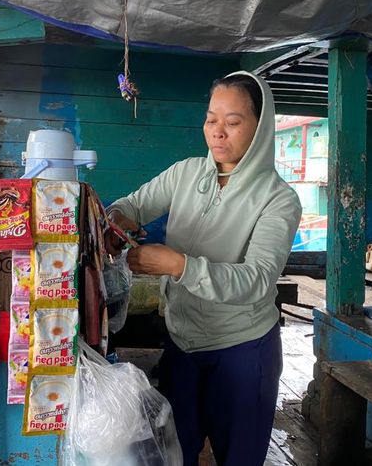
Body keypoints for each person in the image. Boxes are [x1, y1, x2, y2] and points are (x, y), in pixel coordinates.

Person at [106, 71, 302, 466]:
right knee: (178, 450)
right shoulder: (187, 173)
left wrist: (178, 265)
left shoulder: (279, 199)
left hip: (243, 350)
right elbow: (134, 204)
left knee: (239, 457)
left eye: (233, 122)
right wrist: (116, 220)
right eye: (212, 119)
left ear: (260, 128)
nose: (218, 133)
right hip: (183, 343)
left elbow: (258, 280)